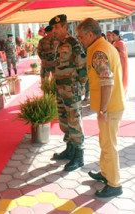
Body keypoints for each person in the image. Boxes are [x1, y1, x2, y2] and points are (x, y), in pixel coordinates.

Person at [76, 18, 125, 198]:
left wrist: (103, 109)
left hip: (110, 108)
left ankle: (114, 184)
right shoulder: (102, 46)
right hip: (110, 105)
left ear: (90, 34)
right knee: (104, 142)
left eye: (81, 37)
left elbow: (107, 82)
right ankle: (105, 174)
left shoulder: (98, 51)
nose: (80, 40)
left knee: (109, 145)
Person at [49, 14, 87, 172]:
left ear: (65, 26)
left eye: (57, 27)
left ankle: (79, 156)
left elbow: (82, 66)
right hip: (61, 89)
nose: (54, 30)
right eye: (53, 28)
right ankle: (70, 148)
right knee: (64, 121)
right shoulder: (60, 44)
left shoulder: (73, 43)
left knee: (74, 121)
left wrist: (82, 86)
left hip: (71, 90)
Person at [112, 30, 128, 95]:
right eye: (112, 35)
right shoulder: (115, 43)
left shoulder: (121, 43)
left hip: (122, 62)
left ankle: (122, 90)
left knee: (122, 75)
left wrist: (115, 51)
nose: (112, 37)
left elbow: (123, 54)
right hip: (117, 62)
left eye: (114, 35)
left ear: (117, 35)